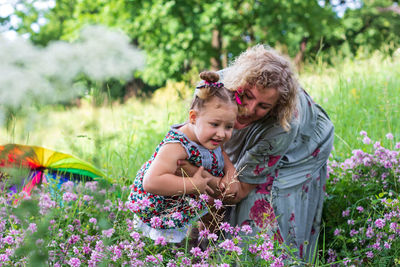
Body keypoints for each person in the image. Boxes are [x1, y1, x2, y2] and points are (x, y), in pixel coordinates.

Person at [180, 45, 334, 262]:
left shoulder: (282, 125)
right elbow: (189, 140)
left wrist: (195, 172)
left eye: (263, 105)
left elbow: (239, 190)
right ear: (236, 84)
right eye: (246, 96)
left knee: (258, 199)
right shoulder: (214, 89)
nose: (250, 109)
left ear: (274, 107)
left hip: (306, 145)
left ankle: (260, 259)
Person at [128, 71, 239, 243]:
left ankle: (204, 249)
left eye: (229, 127)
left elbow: (222, 154)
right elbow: (151, 182)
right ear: (193, 117)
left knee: (208, 219)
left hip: (193, 200)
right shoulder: (177, 146)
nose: (221, 134)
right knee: (173, 248)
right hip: (164, 207)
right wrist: (192, 185)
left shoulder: (210, 138)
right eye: (215, 124)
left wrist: (230, 171)